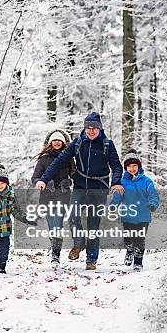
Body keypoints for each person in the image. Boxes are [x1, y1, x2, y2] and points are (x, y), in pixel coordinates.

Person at [36, 112, 123, 270]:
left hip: (99, 187)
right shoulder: (77, 143)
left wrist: (116, 182)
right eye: (88, 127)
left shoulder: (107, 144)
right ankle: (79, 243)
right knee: (73, 217)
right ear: (84, 128)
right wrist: (43, 178)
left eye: (94, 128)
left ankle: (91, 259)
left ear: (100, 129)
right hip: (80, 186)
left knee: (93, 223)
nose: (91, 131)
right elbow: (58, 161)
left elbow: (116, 166)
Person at [110, 149, 159, 271]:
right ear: (125, 168)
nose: (132, 169)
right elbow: (117, 196)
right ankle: (129, 251)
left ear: (139, 166)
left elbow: (153, 195)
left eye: (134, 166)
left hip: (143, 216)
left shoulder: (146, 181)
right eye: (129, 166)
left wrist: (152, 204)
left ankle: (138, 262)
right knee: (128, 239)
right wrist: (113, 205)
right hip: (128, 216)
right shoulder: (122, 182)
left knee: (140, 240)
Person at [31, 129, 73, 265]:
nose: (56, 142)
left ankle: (56, 253)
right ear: (50, 143)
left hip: (63, 195)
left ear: (63, 143)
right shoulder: (43, 160)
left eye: (59, 140)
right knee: (51, 224)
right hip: (47, 196)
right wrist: (41, 182)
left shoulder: (68, 158)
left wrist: (69, 182)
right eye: (54, 140)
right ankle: (54, 243)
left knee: (58, 223)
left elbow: (75, 175)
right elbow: (35, 177)